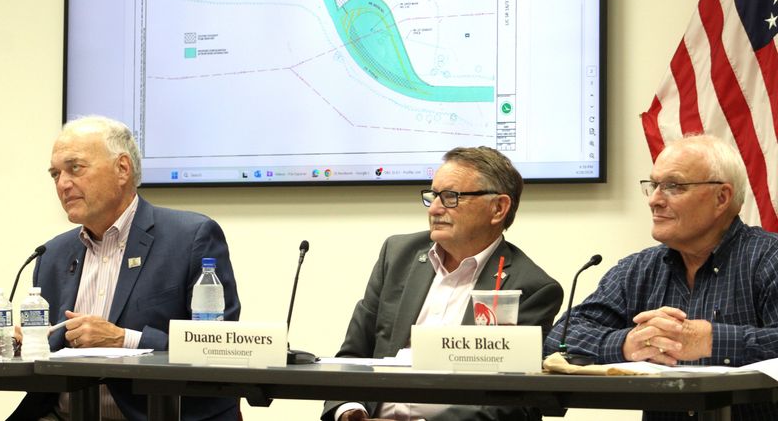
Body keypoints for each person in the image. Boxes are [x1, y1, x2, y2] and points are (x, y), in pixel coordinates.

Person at [9, 116, 241, 421]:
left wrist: (125, 340)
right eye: (55, 174)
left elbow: (220, 346)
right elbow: (51, 351)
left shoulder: (190, 238)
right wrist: (22, 344)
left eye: (75, 168)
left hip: (156, 414)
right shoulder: (52, 254)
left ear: (122, 169)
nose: (62, 184)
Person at [544, 134, 778, 420]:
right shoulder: (639, 269)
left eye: (673, 186)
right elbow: (559, 339)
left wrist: (712, 341)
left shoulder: (769, 258)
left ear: (721, 197)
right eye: (653, 185)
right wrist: (626, 344)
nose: (654, 200)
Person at [321, 146, 564, 421]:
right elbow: (352, 357)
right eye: (433, 195)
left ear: (498, 208)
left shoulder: (531, 288)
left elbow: (510, 400)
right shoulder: (398, 255)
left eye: (451, 197)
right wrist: (349, 411)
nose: (435, 208)